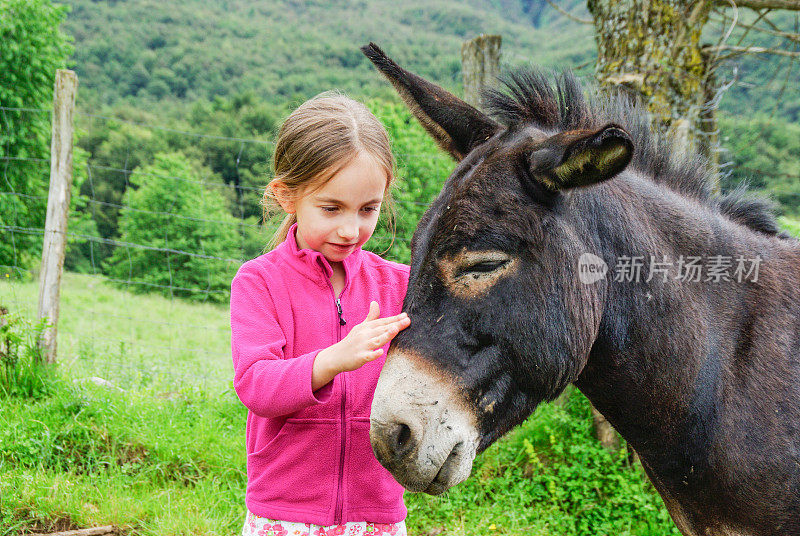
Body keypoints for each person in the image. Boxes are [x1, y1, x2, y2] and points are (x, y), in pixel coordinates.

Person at [230, 93, 412, 536]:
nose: (351, 229)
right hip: (287, 513)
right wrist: (334, 359)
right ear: (286, 196)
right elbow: (256, 384)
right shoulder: (259, 282)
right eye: (331, 209)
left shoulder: (401, 284)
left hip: (378, 512)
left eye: (368, 209)